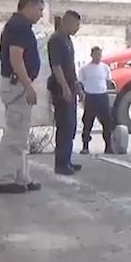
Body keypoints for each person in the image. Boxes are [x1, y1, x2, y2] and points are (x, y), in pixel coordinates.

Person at [0, 0, 44, 194]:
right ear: (28, 6)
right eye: (39, 9)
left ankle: (22, 177)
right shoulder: (19, 27)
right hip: (17, 85)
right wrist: (28, 86)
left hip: (18, 84)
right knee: (15, 135)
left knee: (20, 134)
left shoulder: (19, 26)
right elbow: (16, 59)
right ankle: (4, 179)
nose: (41, 15)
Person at [47, 10, 83, 174]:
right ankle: (60, 164)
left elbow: (70, 66)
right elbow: (56, 66)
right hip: (61, 89)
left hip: (70, 87)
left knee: (71, 126)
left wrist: (76, 86)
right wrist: (64, 87)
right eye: (76, 25)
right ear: (67, 22)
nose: (77, 28)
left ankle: (66, 160)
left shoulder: (67, 40)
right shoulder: (56, 40)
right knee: (64, 125)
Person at [78, 46, 113, 154]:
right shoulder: (84, 69)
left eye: (99, 54)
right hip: (90, 97)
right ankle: (85, 147)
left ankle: (108, 147)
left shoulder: (105, 68)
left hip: (102, 96)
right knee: (88, 122)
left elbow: (108, 81)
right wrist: (81, 95)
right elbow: (79, 83)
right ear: (91, 55)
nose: (98, 57)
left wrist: (105, 91)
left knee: (107, 123)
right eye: (96, 54)